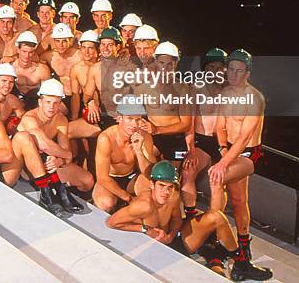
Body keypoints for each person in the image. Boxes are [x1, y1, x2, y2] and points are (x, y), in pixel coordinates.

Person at [108, 161, 272, 280]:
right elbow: (112, 222)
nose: (166, 191)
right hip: (153, 250)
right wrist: (145, 229)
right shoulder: (143, 205)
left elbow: (177, 219)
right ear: (152, 184)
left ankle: (241, 261)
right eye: (161, 185)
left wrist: (171, 234)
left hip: (173, 241)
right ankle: (215, 255)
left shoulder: (172, 197)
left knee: (216, 216)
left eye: (169, 187)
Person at [208, 49, 272, 280]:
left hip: (248, 155)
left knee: (216, 178)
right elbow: (220, 127)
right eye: (230, 69)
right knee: (238, 201)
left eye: (239, 70)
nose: (233, 74)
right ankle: (243, 255)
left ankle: (216, 240)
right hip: (230, 151)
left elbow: (245, 137)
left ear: (248, 73)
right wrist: (223, 150)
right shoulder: (225, 93)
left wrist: (223, 163)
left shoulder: (255, 98)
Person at [8, 79, 93, 213]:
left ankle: (61, 191)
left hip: (46, 165)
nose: (51, 107)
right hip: (24, 169)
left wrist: (59, 160)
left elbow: (66, 152)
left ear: (60, 104)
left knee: (87, 181)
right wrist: (66, 155)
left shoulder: (61, 120)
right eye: (47, 102)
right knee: (26, 138)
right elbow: (44, 145)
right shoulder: (30, 118)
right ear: (40, 102)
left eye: (55, 103)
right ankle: (48, 193)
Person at [181, 48, 228, 219]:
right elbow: (189, 122)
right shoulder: (196, 89)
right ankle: (190, 216)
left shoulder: (231, 90)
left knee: (218, 181)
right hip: (202, 139)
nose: (215, 72)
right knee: (188, 171)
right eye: (211, 67)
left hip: (223, 142)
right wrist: (191, 149)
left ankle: (214, 223)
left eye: (219, 67)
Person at [92, 100, 156, 212]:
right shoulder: (106, 138)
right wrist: (129, 198)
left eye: (137, 120)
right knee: (105, 203)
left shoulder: (144, 136)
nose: (134, 125)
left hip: (131, 178)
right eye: (129, 119)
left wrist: (139, 151)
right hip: (110, 178)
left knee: (151, 190)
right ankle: (122, 203)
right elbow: (102, 177)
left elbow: (150, 174)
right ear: (119, 118)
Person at [143, 41, 192, 167]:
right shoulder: (146, 85)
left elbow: (186, 124)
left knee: (171, 178)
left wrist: (158, 130)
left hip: (175, 138)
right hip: (153, 139)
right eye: (162, 63)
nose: (165, 68)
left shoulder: (183, 88)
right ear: (156, 62)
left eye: (170, 64)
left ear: (176, 63)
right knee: (144, 165)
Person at [84, 27, 134, 129]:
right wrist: (91, 102)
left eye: (110, 45)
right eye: (103, 44)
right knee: (69, 130)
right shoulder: (95, 69)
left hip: (124, 118)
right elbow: (87, 94)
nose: (105, 48)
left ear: (118, 46)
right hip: (104, 116)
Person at [40, 23, 82, 96]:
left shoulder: (80, 55)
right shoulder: (48, 57)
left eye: (64, 41)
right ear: (53, 41)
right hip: (60, 97)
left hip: (79, 96)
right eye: (57, 41)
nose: (61, 45)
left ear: (71, 41)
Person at [12, 31, 50, 108]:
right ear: (18, 50)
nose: (27, 56)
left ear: (34, 52)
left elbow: (47, 95)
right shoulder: (11, 68)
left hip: (36, 101)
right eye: (24, 51)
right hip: (17, 99)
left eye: (30, 52)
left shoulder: (42, 70)